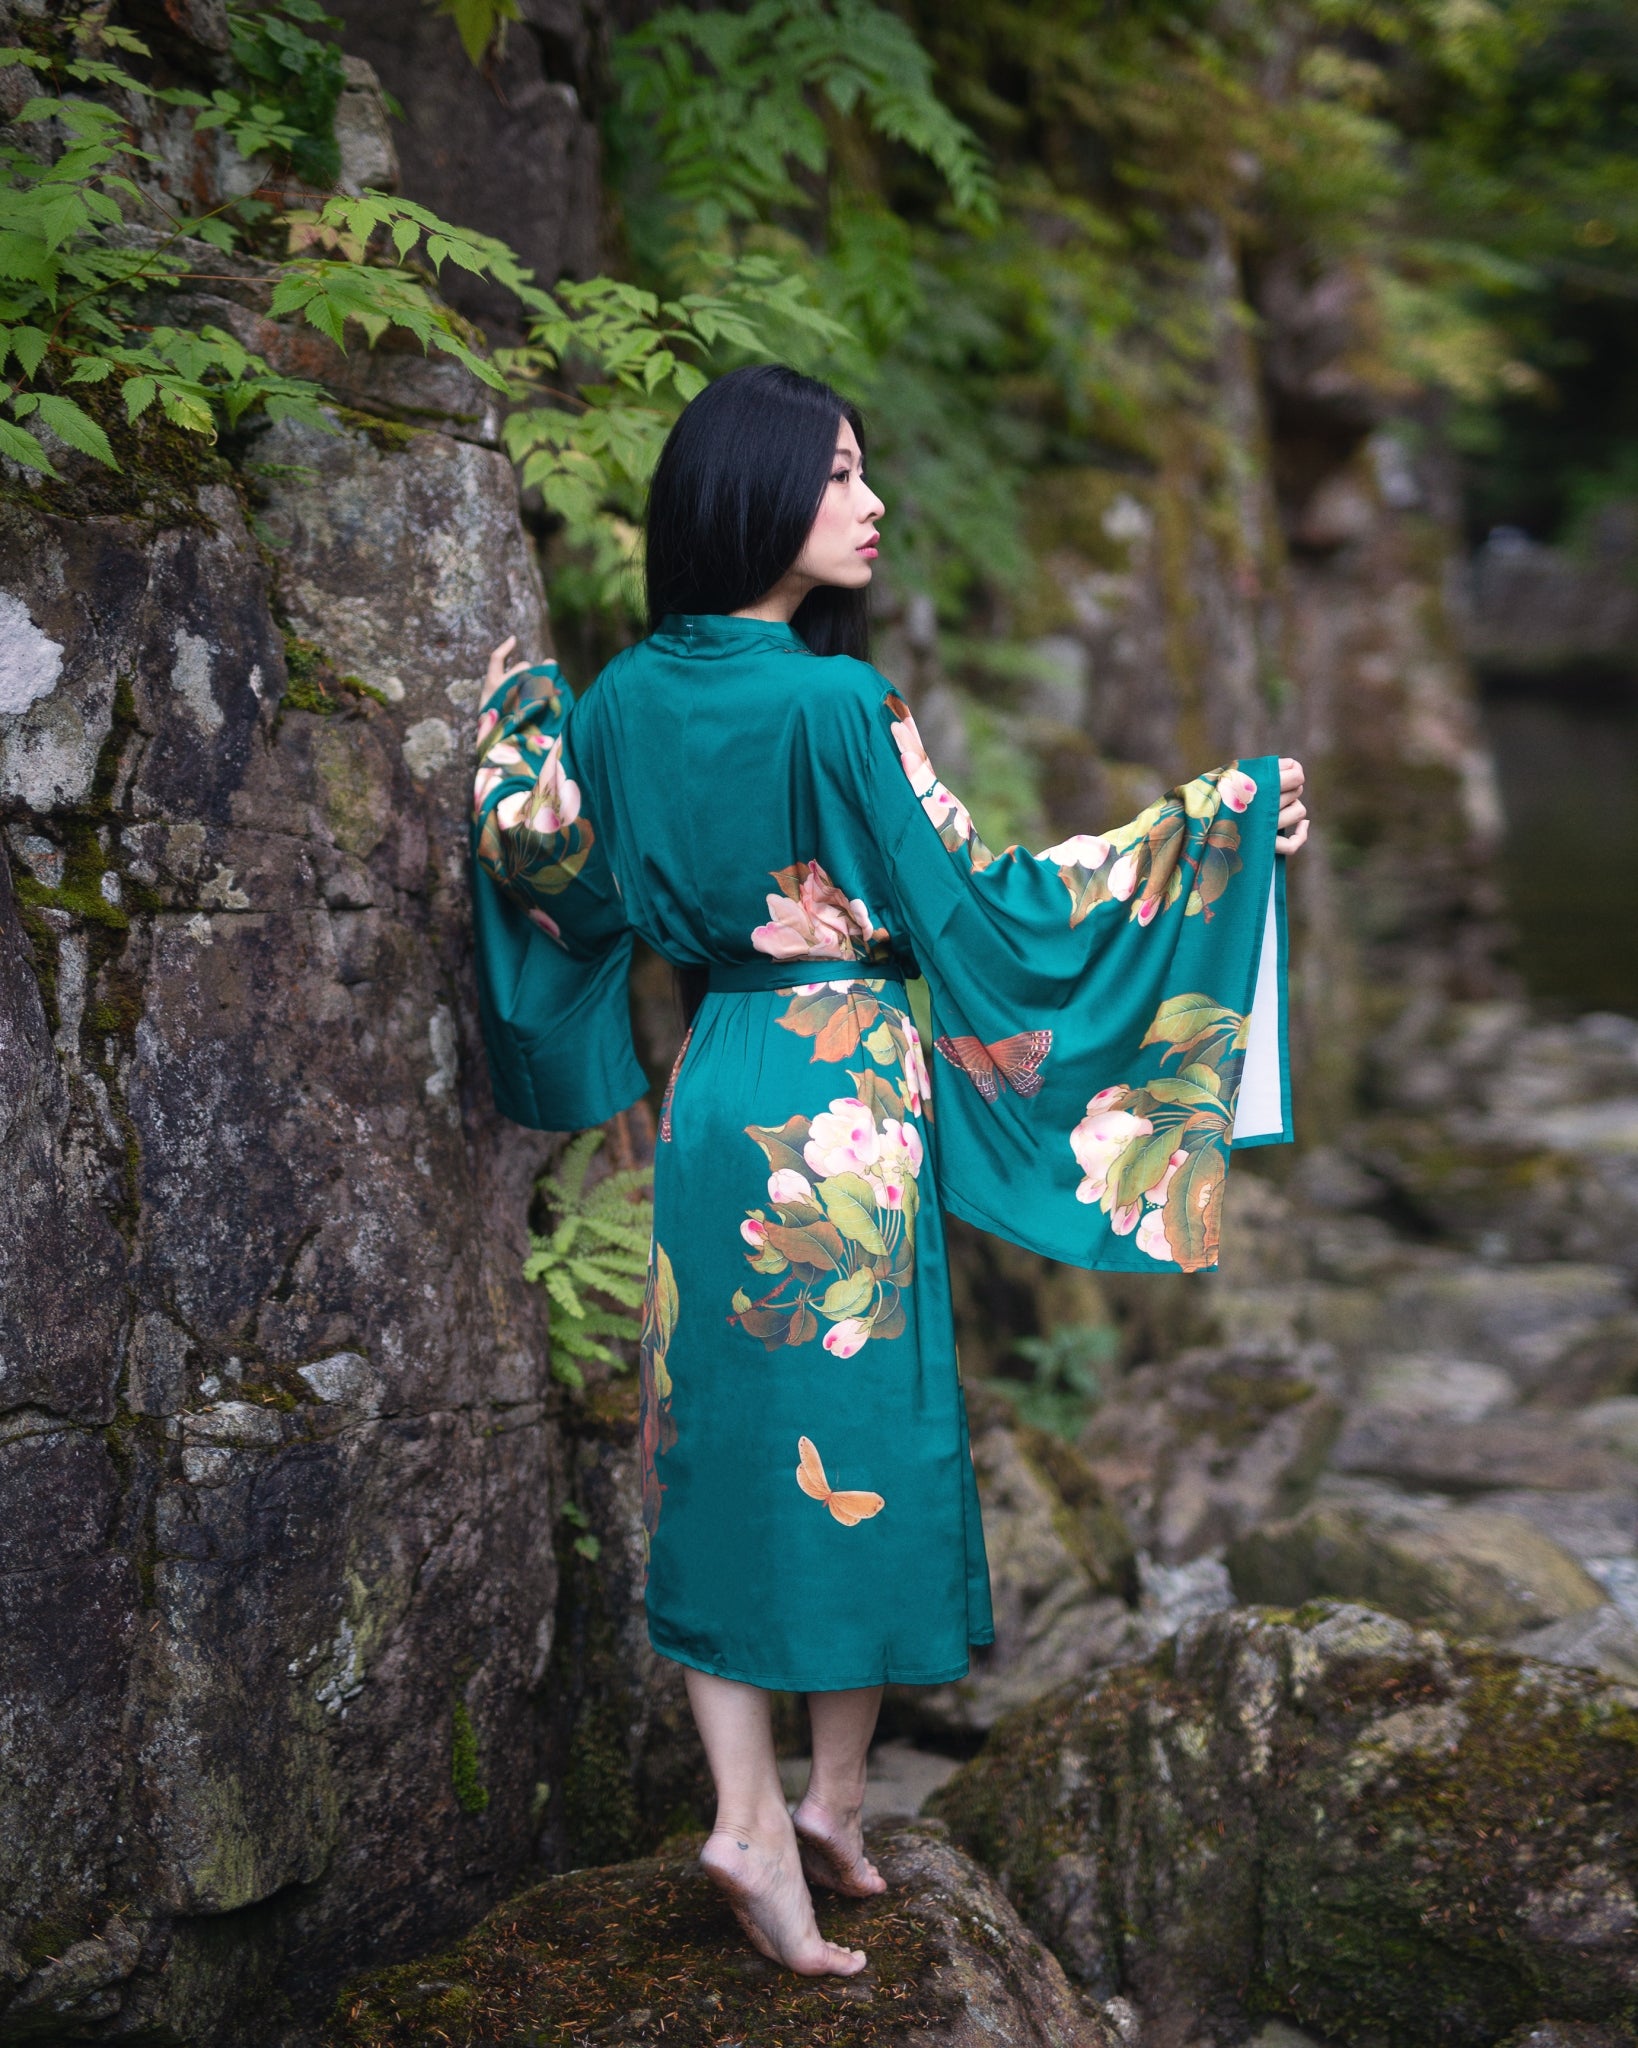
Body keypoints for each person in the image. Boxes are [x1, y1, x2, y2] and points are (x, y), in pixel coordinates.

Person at [469, 363, 1309, 1978]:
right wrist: (1215, 822)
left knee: (712, 1444)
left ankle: (789, 1808)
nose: (870, 505)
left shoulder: (621, 701)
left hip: (717, 1084)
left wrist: (513, 730)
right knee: (864, 1437)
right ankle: (797, 1808)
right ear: (752, 494)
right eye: (839, 474)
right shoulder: (840, 708)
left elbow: (544, 861)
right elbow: (982, 910)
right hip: (848, 1094)